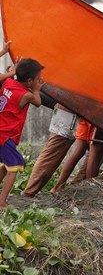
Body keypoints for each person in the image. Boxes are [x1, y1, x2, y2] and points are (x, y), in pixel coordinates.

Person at [0, 58, 44, 209]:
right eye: (38, 79)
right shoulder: (27, 95)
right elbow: (38, 103)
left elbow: (11, 77)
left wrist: (12, 71)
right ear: (30, 81)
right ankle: (1, 203)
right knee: (16, 165)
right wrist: (37, 90)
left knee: (5, 166)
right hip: (6, 135)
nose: (40, 81)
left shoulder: (8, 83)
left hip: (2, 132)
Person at [22, 104, 78, 197]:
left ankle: (31, 190)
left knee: (54, 151)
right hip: (68, 113)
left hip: (68, 111)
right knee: (53, 151)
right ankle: (30, 190)